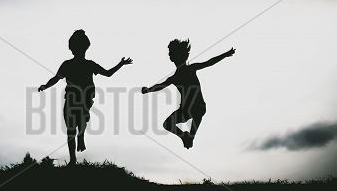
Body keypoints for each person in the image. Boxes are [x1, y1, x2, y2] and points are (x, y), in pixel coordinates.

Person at [38, 30, 133, 164]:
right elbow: (56, 78)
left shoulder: (89, 64)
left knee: (79, 122)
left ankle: (81, 134)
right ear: (72, 48)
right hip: (71, 99)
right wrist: (45, 86)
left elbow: (107, 73)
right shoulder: (67, 64)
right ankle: (73, 159)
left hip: (84, 99)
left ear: (85, 48)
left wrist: (120, 64)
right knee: (71, 130)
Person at [142, 39, 235, 149]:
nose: (170, 56)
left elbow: (209, 62)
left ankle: (189, 137)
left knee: (192, 118)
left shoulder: (190, 69)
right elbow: (161, 86)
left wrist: (225, 54)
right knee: (167, 124)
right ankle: (187, 137)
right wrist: (148, 90)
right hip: (185, 110)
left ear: (178, 56)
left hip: (197, 107)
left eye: (171, 54)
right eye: (170, 54)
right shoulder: (175, 77)